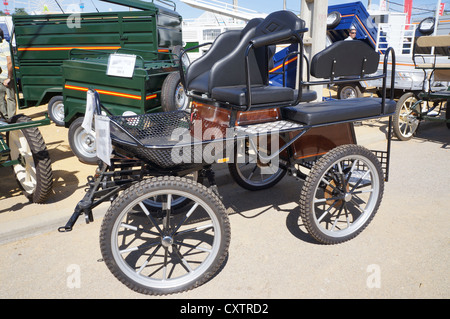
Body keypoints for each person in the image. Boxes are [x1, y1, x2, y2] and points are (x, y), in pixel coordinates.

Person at [0, 28, 16, 120]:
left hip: (7, 77)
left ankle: (11, 119)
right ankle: (5, 117)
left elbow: (10, 62)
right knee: (0, 98)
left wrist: (9, 77)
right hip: (0, 76)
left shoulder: (5, 45)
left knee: (10, 98)